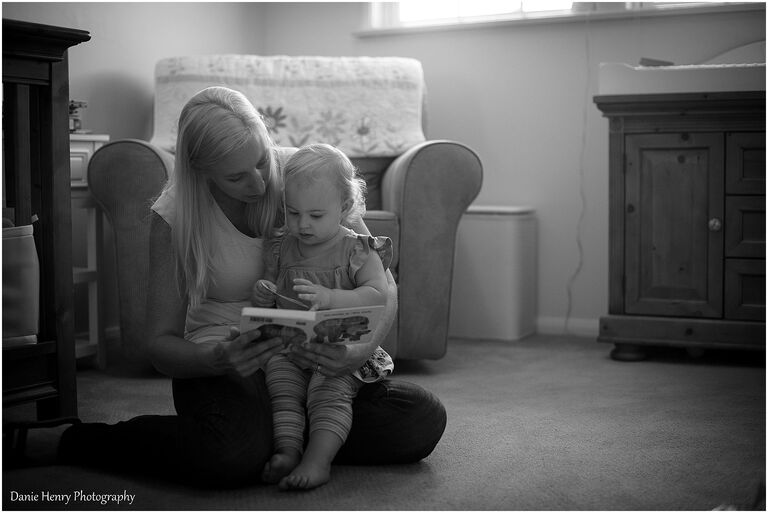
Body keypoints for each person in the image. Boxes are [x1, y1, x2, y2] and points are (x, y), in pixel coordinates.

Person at [33, 86, 445, 488]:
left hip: (312, 361)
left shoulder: (307, 176)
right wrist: (217, 359)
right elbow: (158, 345)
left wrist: (358, 351)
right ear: (202, 172)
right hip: (230, 359)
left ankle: (281, 435)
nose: (260, 183)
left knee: (420, 419)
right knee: (229, 454)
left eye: (262, 161)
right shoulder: (175, 217)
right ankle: (76, 440)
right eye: (235, 177)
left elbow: (381, 283)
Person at [253, 143, 395, 490]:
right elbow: (277, 297)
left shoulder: (358, 248)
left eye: (316, 216)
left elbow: (378, 296)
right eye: (293, 213)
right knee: (281, 387)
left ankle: (318, 460)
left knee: (326, 390)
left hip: (339, 350)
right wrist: (264, 293)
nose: (302, 224)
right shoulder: (282, 246)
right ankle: (288, 449)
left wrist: (333, 297)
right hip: (292, 348)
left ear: (344, 208)